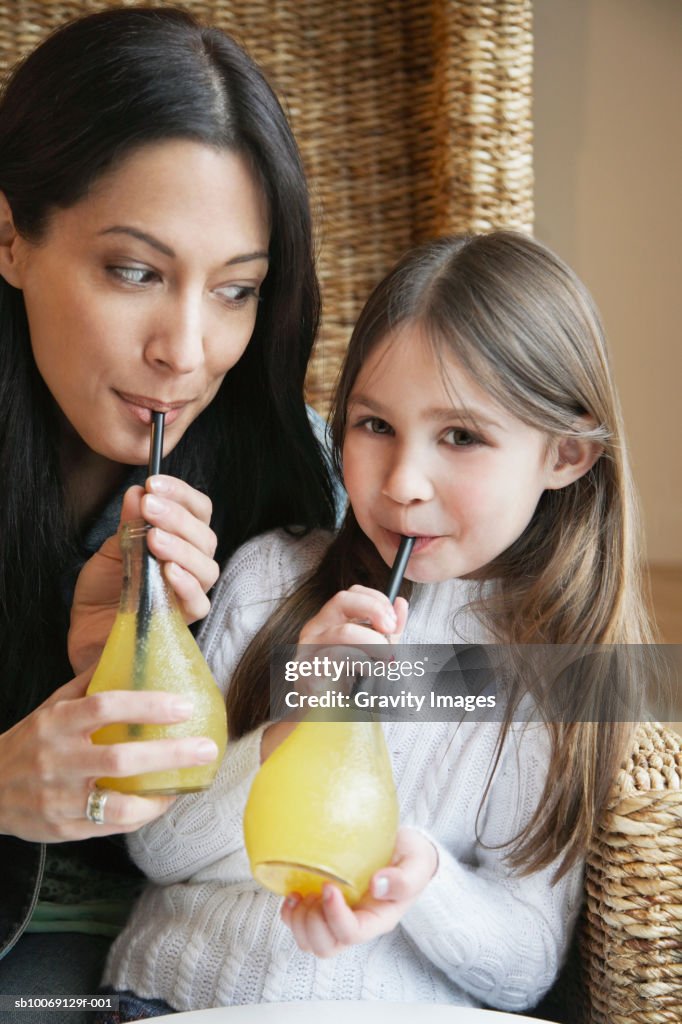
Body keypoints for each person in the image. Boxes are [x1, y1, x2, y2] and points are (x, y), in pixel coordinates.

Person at [96, 231, 655, 1020]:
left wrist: (414, 869)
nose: (402, 484)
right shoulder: (269, 584)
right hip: (184, 999)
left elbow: (525, 965)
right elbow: (159, 849)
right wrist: (292, 725)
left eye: (460, 436)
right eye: (374, 425)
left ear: (565, 454)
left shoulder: (552, 675)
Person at [0, 5, 337, 1014]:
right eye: (136, 272)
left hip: (197, 967)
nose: (185, 351)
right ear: (10, 235)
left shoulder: (302, 470)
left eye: (236, 291)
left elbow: (520, 680)